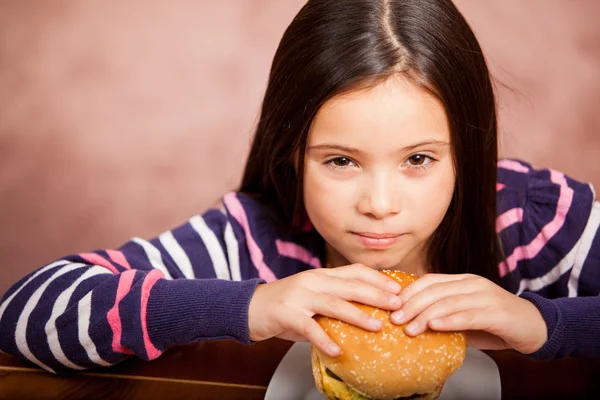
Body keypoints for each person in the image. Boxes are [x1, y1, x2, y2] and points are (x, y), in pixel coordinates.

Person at [1, 0, 599, 374]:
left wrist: (547, 325)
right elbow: (24, 311)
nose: (380, 204)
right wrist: (251, 305)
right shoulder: (253, 241)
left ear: (466, 155)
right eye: (340, 161)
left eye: (418, 158)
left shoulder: (529, 217)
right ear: (292, 153)